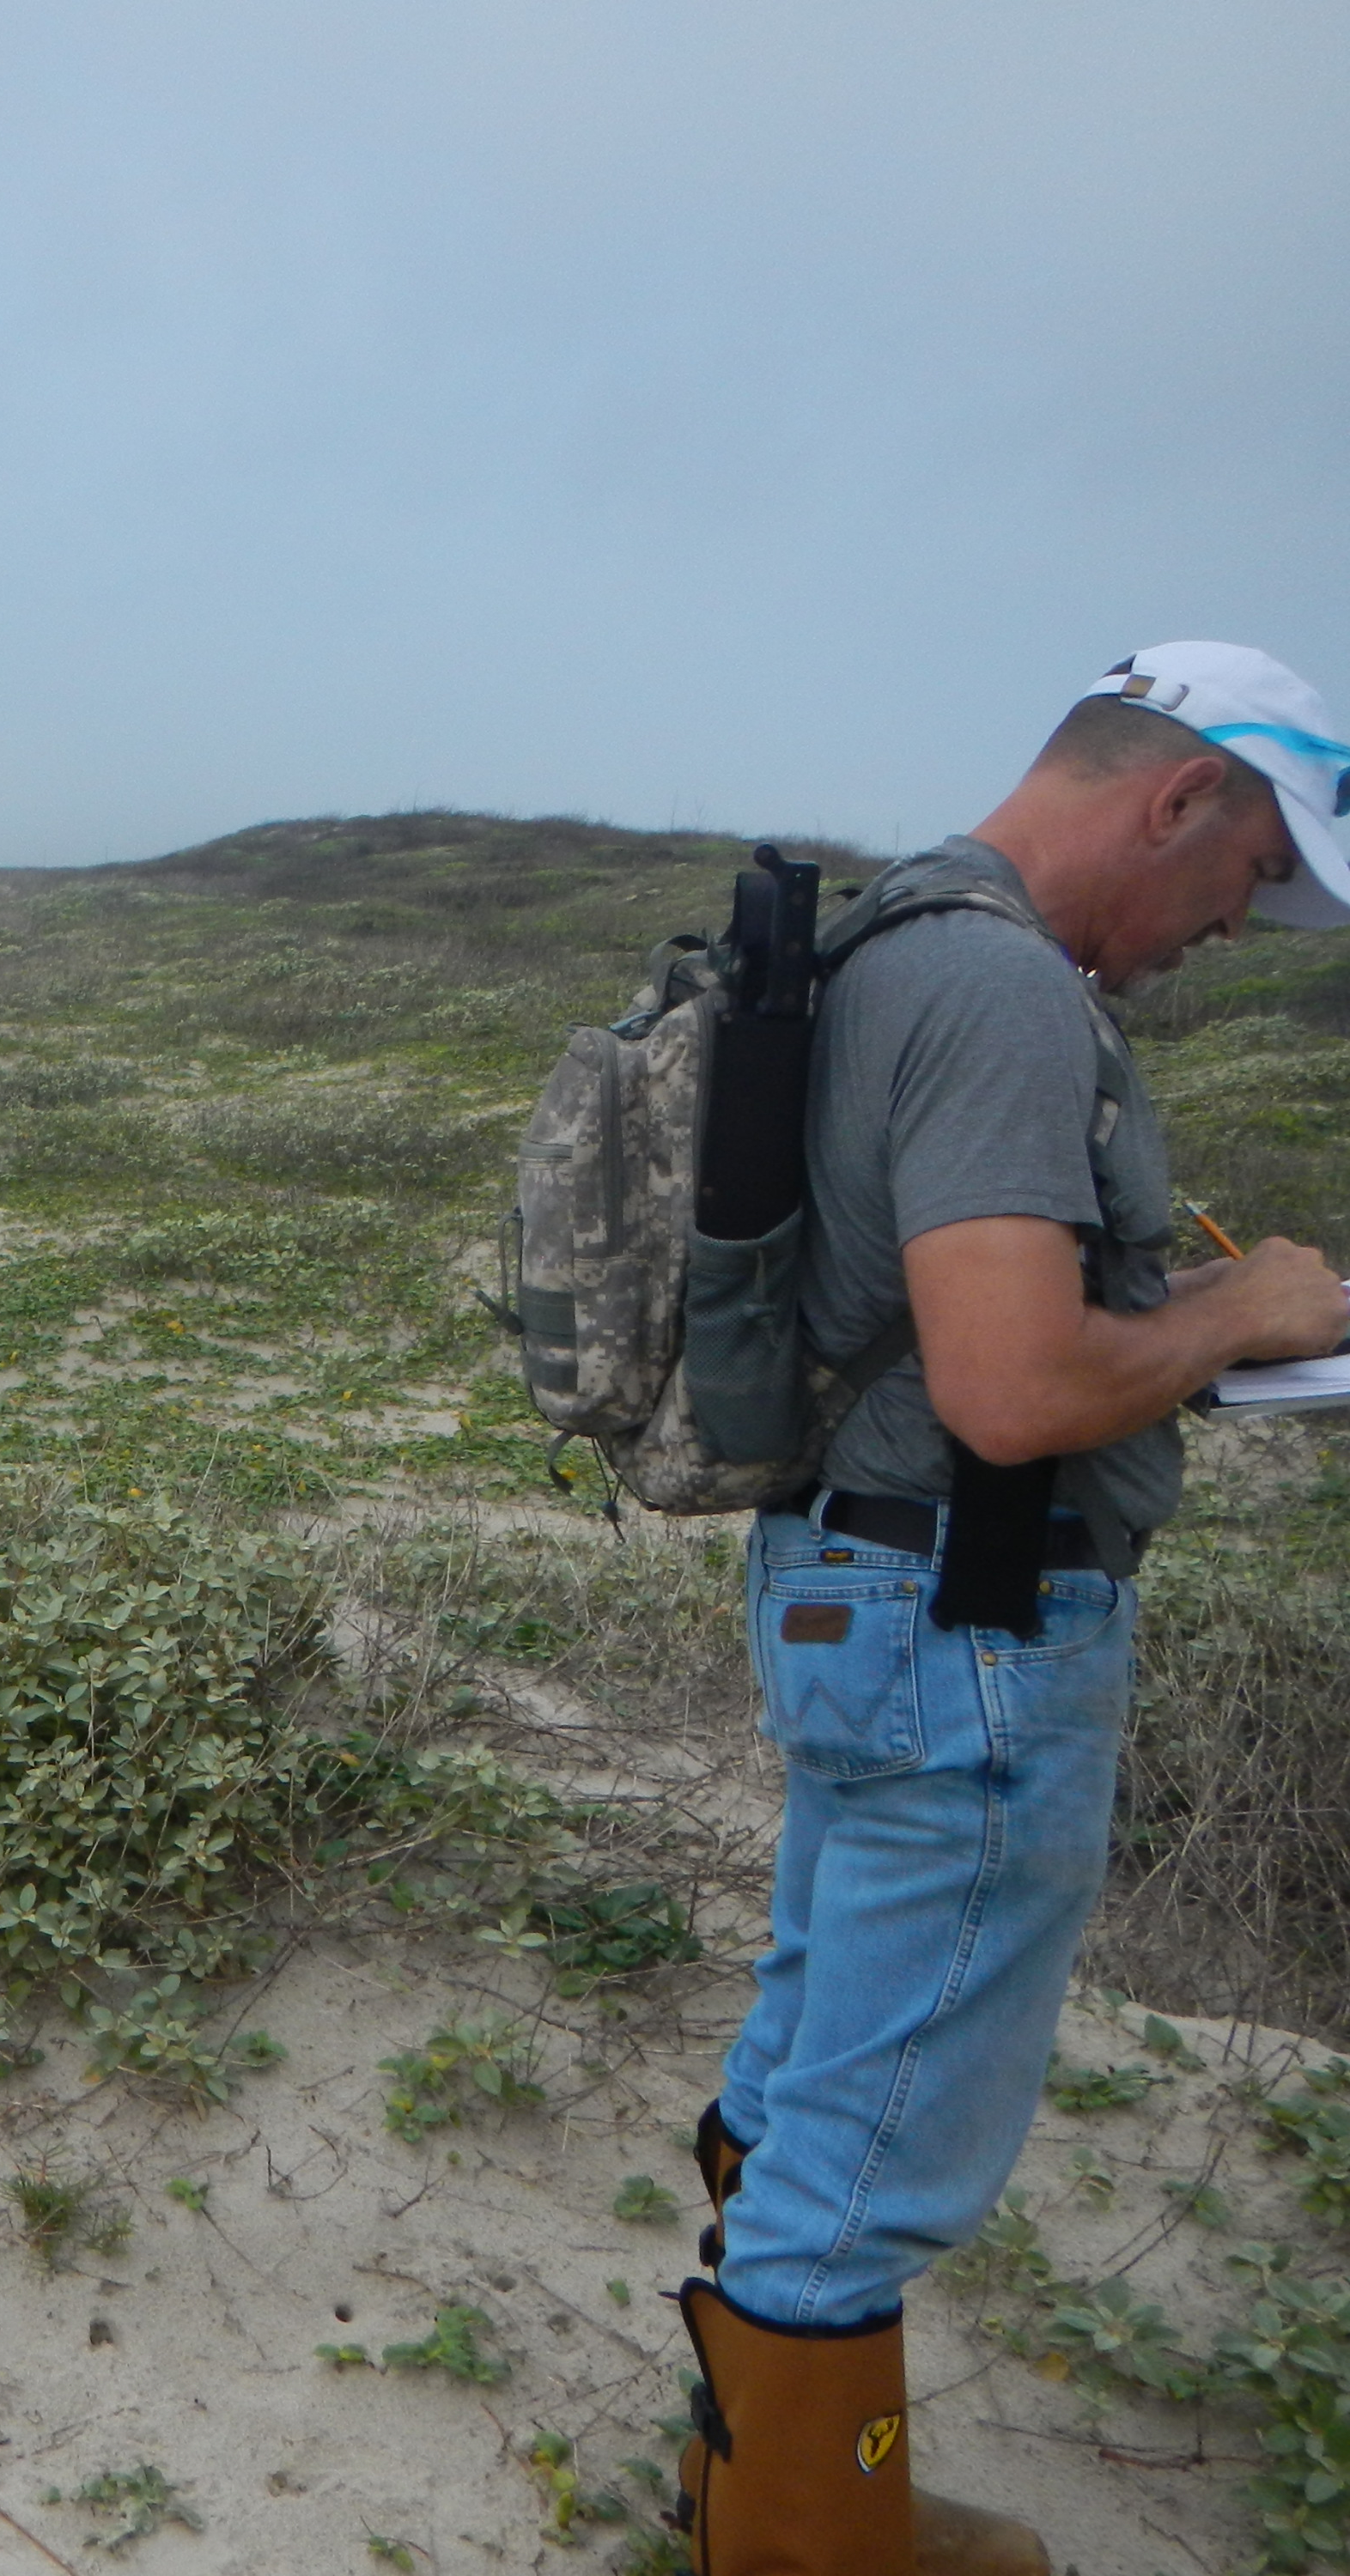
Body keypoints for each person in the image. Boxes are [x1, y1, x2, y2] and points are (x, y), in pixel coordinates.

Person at [678, 641, 1350, 2576]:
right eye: (1245, 880)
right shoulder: (994, 995)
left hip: (858, 1587)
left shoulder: (896, 946)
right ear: (1176, 799)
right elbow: (1010, 1392)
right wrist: (1245, 1313)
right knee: (879, 2130)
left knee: (817, 2043)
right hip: (959, 1624)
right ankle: (804, 2548)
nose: (1231, 927)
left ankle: (770, 2490)